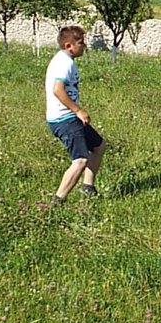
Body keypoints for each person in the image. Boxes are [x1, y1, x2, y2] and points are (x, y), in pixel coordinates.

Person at [46, 25, 105, 203]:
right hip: (64, 119)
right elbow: (58, 90)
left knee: (99, 146)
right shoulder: (64, 63)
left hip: (69, 117)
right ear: (68, 46)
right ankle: (57, 201)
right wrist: (78, 110)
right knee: (80, 160)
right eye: (80, 42)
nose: (84, 45)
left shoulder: (65, 60)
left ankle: (88, 188)